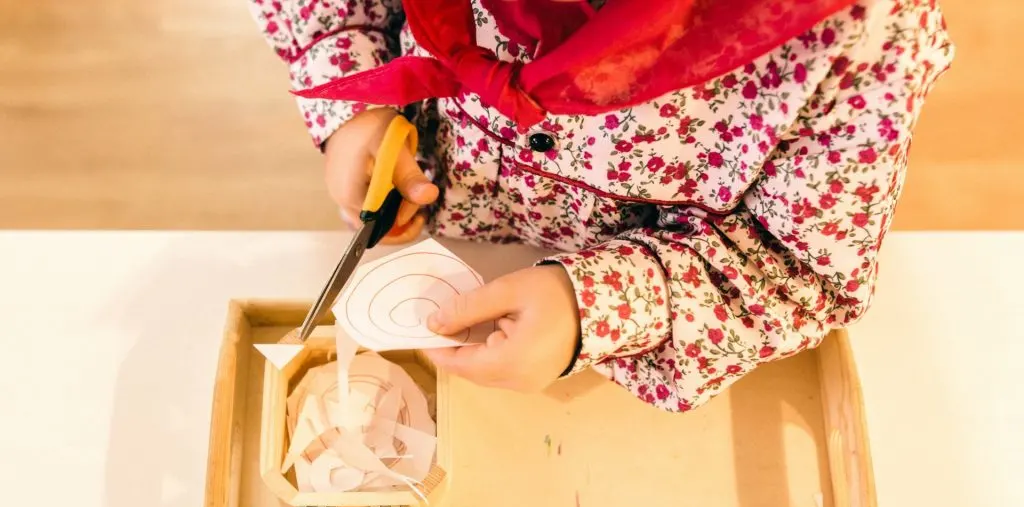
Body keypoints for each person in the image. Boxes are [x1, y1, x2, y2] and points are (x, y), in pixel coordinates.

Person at [247, 0, 953, 411]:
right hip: (446, 202)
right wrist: (357, 95)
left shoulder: (861, 33)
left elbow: (800, 272)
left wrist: (599, 307)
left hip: (618, 346)